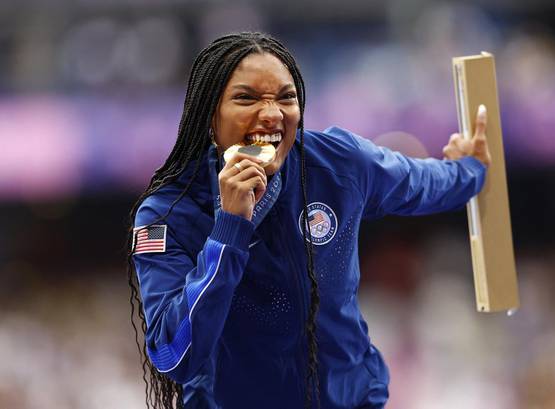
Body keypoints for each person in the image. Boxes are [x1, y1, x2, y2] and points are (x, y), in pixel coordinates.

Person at [127, 32, 491, 409]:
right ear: (209, 114)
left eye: (286, 97)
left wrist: (470, 169)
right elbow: (174, 355)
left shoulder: (338, 164)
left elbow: (422, 183)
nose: (271, 114)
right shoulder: (167, 215)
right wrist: (230, 229)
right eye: (246, 98)